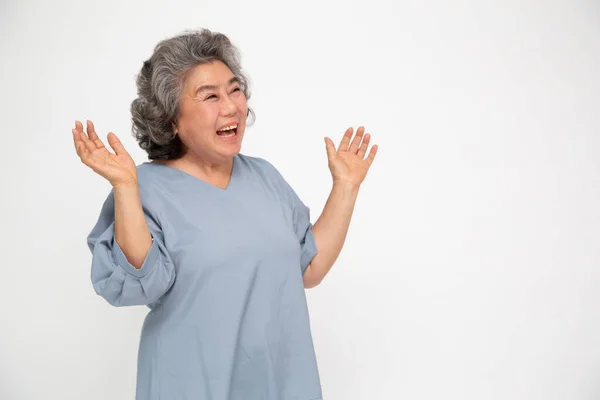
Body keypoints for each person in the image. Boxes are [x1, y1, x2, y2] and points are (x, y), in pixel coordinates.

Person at [72, 28, 377, 400]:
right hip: (190, 386)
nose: (231, 106)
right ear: (172, 120)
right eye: (210, 96)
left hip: (278, 385)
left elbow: (308, 269)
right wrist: (124, 186)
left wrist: (345, 186)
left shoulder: (264, 177)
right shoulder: (146, 187)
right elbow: (143, 281)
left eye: (234, 89)